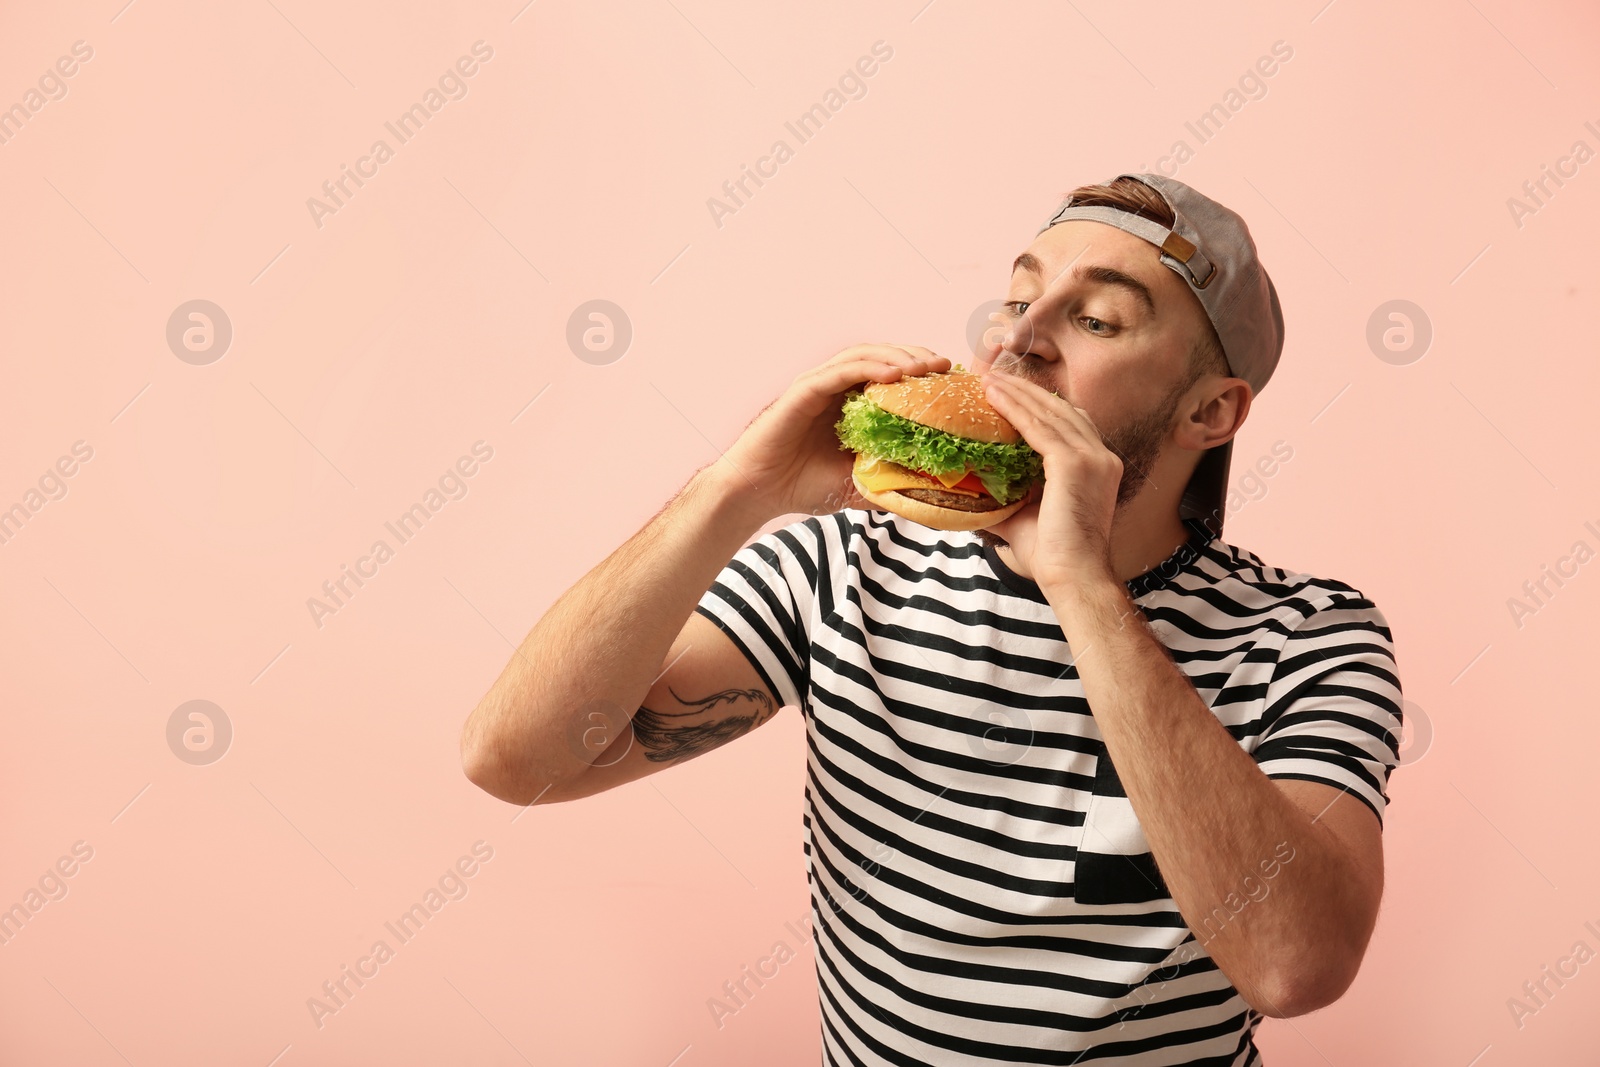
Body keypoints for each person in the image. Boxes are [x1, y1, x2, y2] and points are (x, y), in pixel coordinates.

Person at [460, 173, 1404, 1065]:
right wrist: (732, 491)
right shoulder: (843, 568)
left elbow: (1294, 964)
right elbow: (515, 761)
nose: (1019, 338)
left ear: (1211, 411)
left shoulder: (1311, 636)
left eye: (1096, 318)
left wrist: (1082, 589)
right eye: (1014, 298)